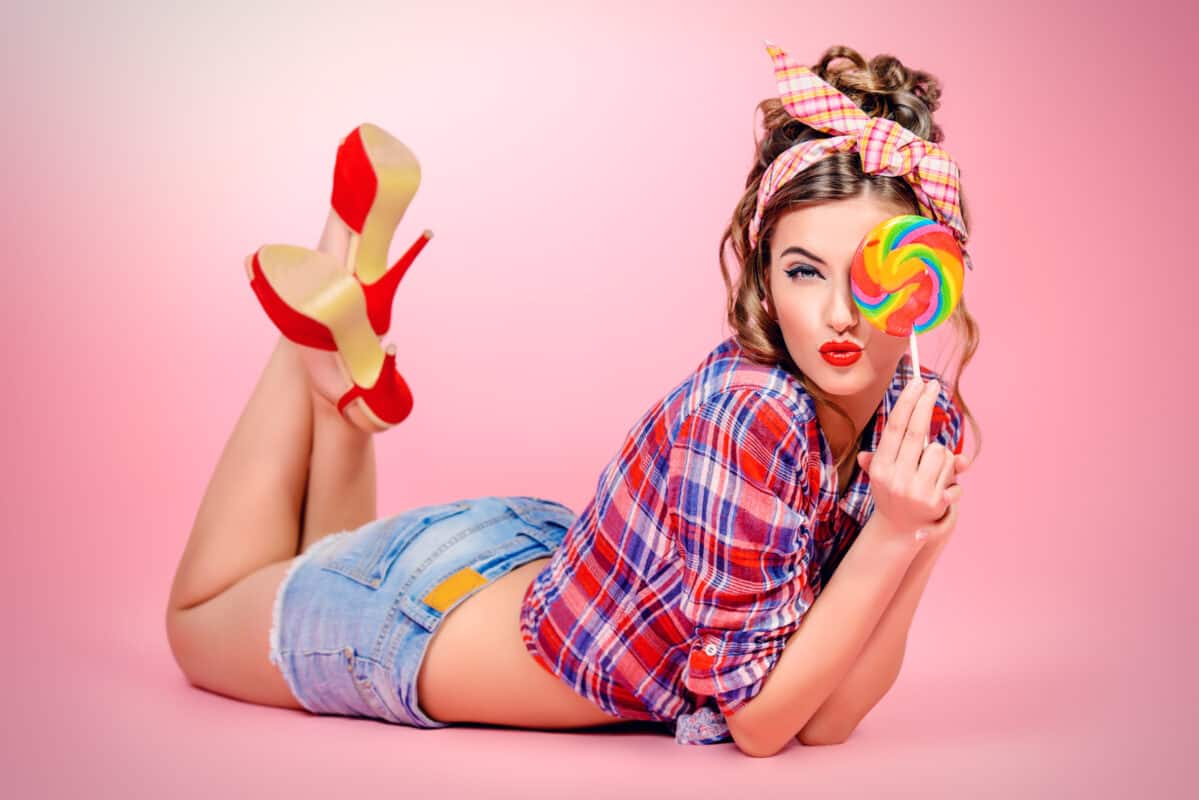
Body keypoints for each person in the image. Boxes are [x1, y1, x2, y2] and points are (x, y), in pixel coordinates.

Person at [165, 41, 980, 758]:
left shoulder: (920, 413)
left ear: (920, 279)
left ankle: (344, 367)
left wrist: (917, 538)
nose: (838, 313)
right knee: (198, 621)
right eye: (804, 270)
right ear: (765, 278)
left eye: (867, 271)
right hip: (418, 626)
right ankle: (310, 319)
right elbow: (764, 727)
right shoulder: (750, 414)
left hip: (530, 565)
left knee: (311, 559)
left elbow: (828, 720)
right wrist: (895, 535)